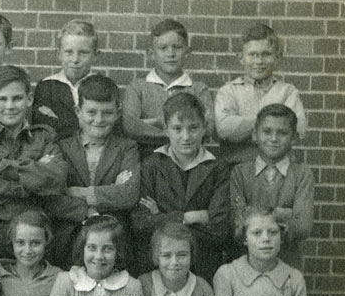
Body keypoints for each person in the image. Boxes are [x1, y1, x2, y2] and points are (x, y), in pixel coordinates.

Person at [0, 64, 67, 258]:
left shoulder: (43, 136)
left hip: (32, 234)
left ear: (29, 99)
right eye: (2, 99)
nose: (9, 106)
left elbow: (57, 177)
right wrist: (29, 183)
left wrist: (2, 168)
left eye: (17, 98)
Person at [132, 92, 230, 280]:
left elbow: (219, 228)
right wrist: (188, 217)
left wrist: (160, 217)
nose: (186, 137)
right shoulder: (152, 165)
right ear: (166, 129)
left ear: (204, 128)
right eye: (177, 129)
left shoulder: (217, 168)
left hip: (203, 264)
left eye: (193, 128)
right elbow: (140, 223)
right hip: (159, 266)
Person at [47, 75, 140, 269]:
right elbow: (53, 198)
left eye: (107, 113)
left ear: (117, 113)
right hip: (69, 238)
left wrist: (81, 192)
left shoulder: (126, 148)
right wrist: (90, 211)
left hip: (113, 241)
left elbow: (129, 194)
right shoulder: (61, 147)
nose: (98, 120)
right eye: (91, 112)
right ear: (78, 111)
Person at [229, 104, 313, 268]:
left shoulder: (302, 174)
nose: (274, 139)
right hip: (245, 265)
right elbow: (237, 223)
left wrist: (253, 215)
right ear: (255, 135)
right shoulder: (240, 172)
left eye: (282, 133)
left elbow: (303, 227)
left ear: (294, 137)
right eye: (267, 132)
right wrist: (284, 214)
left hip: (287, 263)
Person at [215, 23, 307, 165]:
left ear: (277, 57)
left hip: (277, 171)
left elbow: (298, 129)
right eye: (252, 55)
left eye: (266, 54)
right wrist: (274, 125)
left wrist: (245, 127)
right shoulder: (228, 91)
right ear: (241, 58)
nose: (259, 61)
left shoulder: (288, 91)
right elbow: (225, 129)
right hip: (235, 169)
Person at [121, 19, 214, 159]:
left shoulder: (198, 89)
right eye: (163, 48)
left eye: (177, 47)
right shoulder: (137, 87)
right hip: (146, 160)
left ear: (187, 52)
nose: (170, 53)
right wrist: (182, 131)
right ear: (151, 54)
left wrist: (153, 122)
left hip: (188, 162)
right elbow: (131, 127)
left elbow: (208, 128)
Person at [31, 20, 100, 139]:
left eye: (83, 53)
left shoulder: (102, 86)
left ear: (95, 55)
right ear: (59, 54)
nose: (75, 59)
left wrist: (60, 122)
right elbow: (44, 127)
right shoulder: (47, 86)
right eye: (68, 52)